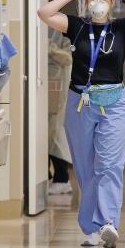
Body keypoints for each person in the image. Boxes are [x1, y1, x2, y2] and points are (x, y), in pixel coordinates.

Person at [37, 0, 125, 248]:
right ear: (85, 1)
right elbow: (44, 13)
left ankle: (108, 223)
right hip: (81, 101)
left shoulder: (121, 28)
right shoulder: (77, 26)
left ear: (111, 1)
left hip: (113, 101)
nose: (97, 3)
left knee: (110, 165)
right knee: (85, 168)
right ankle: (90, 228)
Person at [48, 28, 74, 195]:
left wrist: (50, 49)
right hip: (49, 85)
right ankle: (53, 176)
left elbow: (68, 57)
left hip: (59, 86)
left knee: (56, 132)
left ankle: (62, 178)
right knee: (49, 133)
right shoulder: (46, 29)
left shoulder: (64, 31)